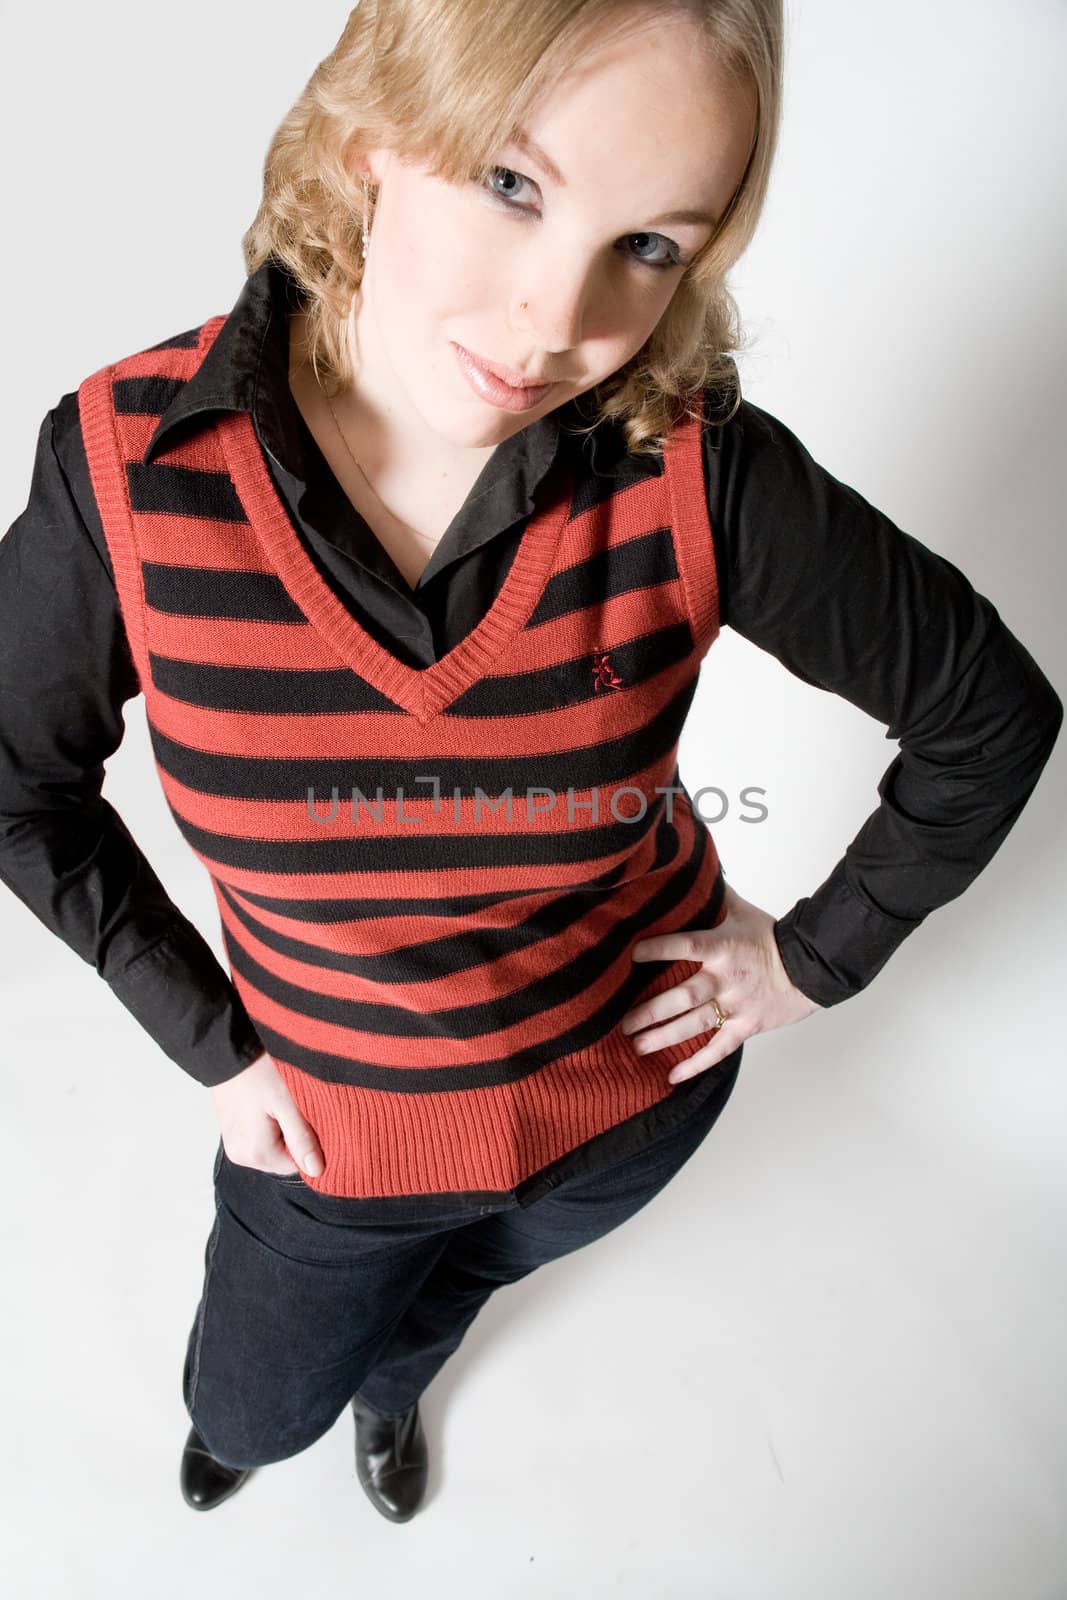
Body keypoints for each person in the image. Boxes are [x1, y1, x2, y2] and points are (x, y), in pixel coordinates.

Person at [0, 0, 1061, 1524]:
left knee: (439, 1311)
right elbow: (12, 780)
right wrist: (219, 1049)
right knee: (249, 1400)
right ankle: (283, 1413)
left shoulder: (695, 464)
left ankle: (394, 1385)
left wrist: (814, 960)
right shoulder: (133, 468)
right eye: (514, 184)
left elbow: (989, 715)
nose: (556, 320)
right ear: (377, 135)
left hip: (625, 1105)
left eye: (651, 246)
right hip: (330, 1138)